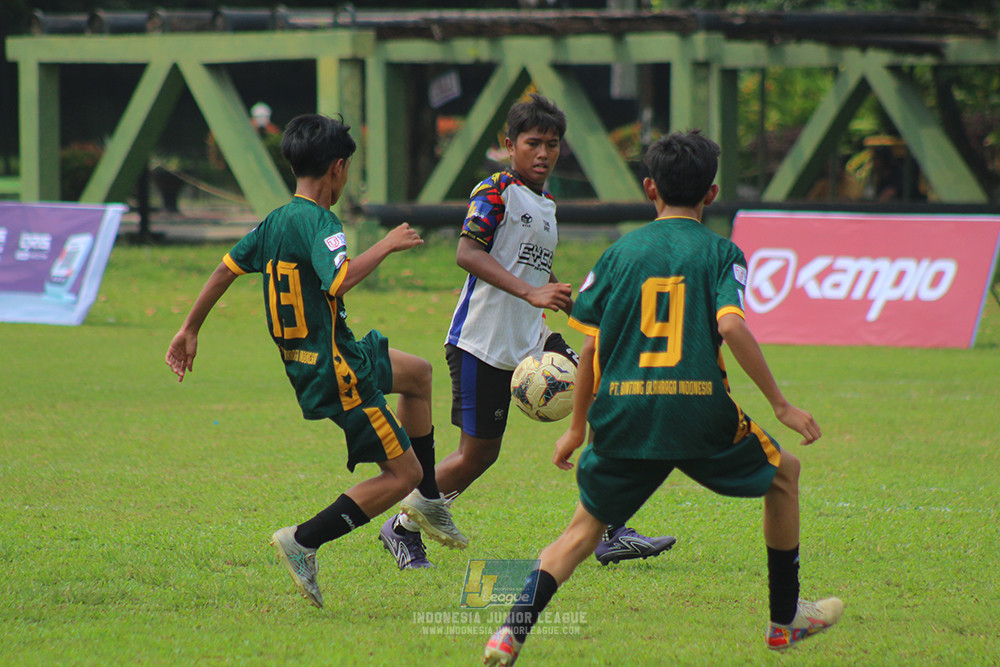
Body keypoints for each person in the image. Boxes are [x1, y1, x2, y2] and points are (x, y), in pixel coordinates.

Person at [482, 130, 843, 665]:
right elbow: (733, 327)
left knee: (580, 534)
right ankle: (785, 619)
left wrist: (577, 428)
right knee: (784, 474)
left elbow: (591, 345)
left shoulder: (620, 254)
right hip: (699, 409)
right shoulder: (722, 252)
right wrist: (782, 405)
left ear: (649, 188)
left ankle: (507, 634)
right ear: (713, 194)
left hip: (625, 411)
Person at [165, 113, 465, 609]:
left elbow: (225, 270)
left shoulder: (277, 220)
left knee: (418, 374)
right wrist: (386, 245)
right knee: (401, 476)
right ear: (339, 169)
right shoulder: (322, 221)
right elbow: (340, 279)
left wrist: (189, 327)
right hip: (337, 370)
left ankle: (429, 501)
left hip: (329, 354)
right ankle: (304, 540)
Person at [379, 93, 675, 569]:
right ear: (509, 144)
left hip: (534, 341)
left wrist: (558, 295)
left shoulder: (547, 203)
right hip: (482, 343)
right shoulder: (493, 191)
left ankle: (610, 530)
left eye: (552, 144)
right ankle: (400, 526)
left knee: (602, 405)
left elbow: (530, 268)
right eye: (533, 143)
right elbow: (467, 254)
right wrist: (531, 292)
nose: (543, 153)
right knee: (477, 457)